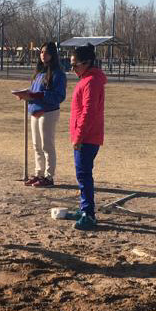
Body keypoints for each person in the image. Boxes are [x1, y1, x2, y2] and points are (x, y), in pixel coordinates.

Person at [13, 41, 66, 188]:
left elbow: (59, 96)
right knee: (36, 145)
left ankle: (49, 177)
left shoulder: (58, 74)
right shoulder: (39, 73)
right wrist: (25, 94)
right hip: (35, 111)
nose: (43, 55)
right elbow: (34, 91)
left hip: (48, 112)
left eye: (47, 52)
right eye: (42, 52)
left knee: (47, 146)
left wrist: (39, 95)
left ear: (53, 55)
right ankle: (39, 173)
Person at [68, 43, 106, 230]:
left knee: (84, 175)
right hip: (85, 135)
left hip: (87, 137)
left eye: (75, 65)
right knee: (81, 174)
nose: (72, 69)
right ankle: (84, 208)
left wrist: (79, 136)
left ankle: (89, 214)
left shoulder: (91, 81)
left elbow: (88, 112)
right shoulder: (86, 79)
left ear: (87, 63)